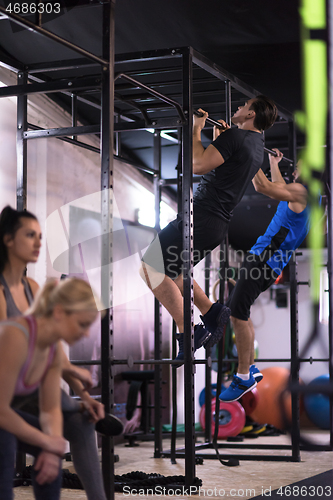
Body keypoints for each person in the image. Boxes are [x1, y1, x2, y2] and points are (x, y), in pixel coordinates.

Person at [140, 96, 278, 363]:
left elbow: (198, 165)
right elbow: (224, 167)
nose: (237, 108)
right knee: (173, 271)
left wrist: (195, 128)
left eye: (242, 105)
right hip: (214, 223)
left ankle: (189, 331)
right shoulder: (256, 145)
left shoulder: (238, 137)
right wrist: (218, 140)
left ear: (251, 114)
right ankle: (211, 311)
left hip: (202, 217)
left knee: (149, 268)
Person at [0, 206, 122, 500]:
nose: (38, 242)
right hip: (9, 385)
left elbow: (49, 342)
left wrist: (84, 393)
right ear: (8, 240)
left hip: (27, 382)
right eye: (30, 235)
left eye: (40, 236)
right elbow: (22, 348)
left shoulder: (32, 287)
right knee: (43, 430)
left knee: (78, 421)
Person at [219, 149, 309, 402]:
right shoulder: (302, 194)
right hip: (267, 261)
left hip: (264, 260)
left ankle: (244, 374)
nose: (296, 168)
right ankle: (250, 368)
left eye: (300, 166)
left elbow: (263, 187)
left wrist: (250, 155)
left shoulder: (301, 192)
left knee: (235, 313)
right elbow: (279, 187)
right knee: (240, 311)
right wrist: (272, 163)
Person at [0, 276, 100, 500]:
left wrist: (53, 445)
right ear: (58, 312)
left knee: (50, 453)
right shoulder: (15, 336)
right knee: (5, 440)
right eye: (82, 324)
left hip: (8, 411)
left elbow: (50, 408)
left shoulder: (51, 349)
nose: (85, 334)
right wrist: (48, 441)